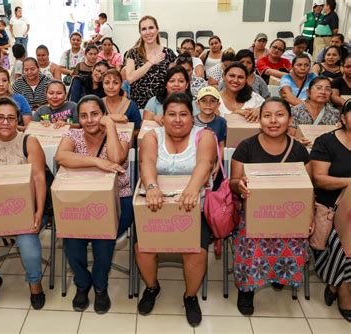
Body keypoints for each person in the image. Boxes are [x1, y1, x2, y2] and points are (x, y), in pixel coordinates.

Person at [136, 92, 216, 326]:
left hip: (193, 207)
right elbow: (147, 163)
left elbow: (204, 163)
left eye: (183, 114)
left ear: (192, 118)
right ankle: (152, 287)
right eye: (171, 114)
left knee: (195, 252)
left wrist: (192, 188)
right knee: (143, 249)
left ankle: (190, 296)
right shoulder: (152, 136)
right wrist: (151, 186)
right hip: (155, 204)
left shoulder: (205, 136)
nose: (178, 119)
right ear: (163, 117)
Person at [230, 97, 311, 316]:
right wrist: (241, 185)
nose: (273, 121)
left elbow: (308, 188)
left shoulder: (299, 151)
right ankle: (246, 288)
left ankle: (279, 275)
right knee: (250, 238)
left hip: (290, 213)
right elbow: (233, 182)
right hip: (253, 211)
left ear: (290, 119)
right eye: (267, 115)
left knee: (295, 238)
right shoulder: (246, 147)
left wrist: (309, 218)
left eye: (280, 115)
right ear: (260, 120)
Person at [55, 95, 134, 314]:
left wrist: (110, 126)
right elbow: (61, 157)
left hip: (119, 198)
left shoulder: (122, 134)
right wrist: (97, 161)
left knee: (103, 238)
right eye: (84, 115)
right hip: (78, 198)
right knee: (71, 238)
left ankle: (100, 287)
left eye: (95, 114)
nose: (89, 120)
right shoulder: (73, 134)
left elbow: (117, 158)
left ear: (103, 114)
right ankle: (82, 283)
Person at [0, 97, 47, 312]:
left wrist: (39, 213)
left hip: (26, 208)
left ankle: (34, 283)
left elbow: (39, 179)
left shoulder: (29, 141)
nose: (6, 122)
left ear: (17, 120)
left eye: (11, 118)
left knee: (28, 244)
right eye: (0, 118)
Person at [310, 99, 351, 322]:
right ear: (343, 119)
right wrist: (350, 182)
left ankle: (333, 284)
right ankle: (344, 289)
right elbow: (319, 179)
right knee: (343, 243)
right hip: (330, 208)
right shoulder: (327, 142)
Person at [124, 15, 176, 109]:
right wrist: (151, 62)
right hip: (139, 107)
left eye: (151, 28)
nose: (148, 32)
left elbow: (173, 81)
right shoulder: (133, 53)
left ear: (157, 29)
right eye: (144, 29)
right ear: (140, 32)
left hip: (162, 107)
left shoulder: (169, 53)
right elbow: (130, 78)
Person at [289, 76, 341, 142]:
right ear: (308, 92)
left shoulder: (335, 113)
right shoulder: (295, 111)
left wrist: (341, 130)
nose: (323, 92)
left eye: (327, 89)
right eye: (319, 88)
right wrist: (298, 141)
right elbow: (289, 135)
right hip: (301, 149)